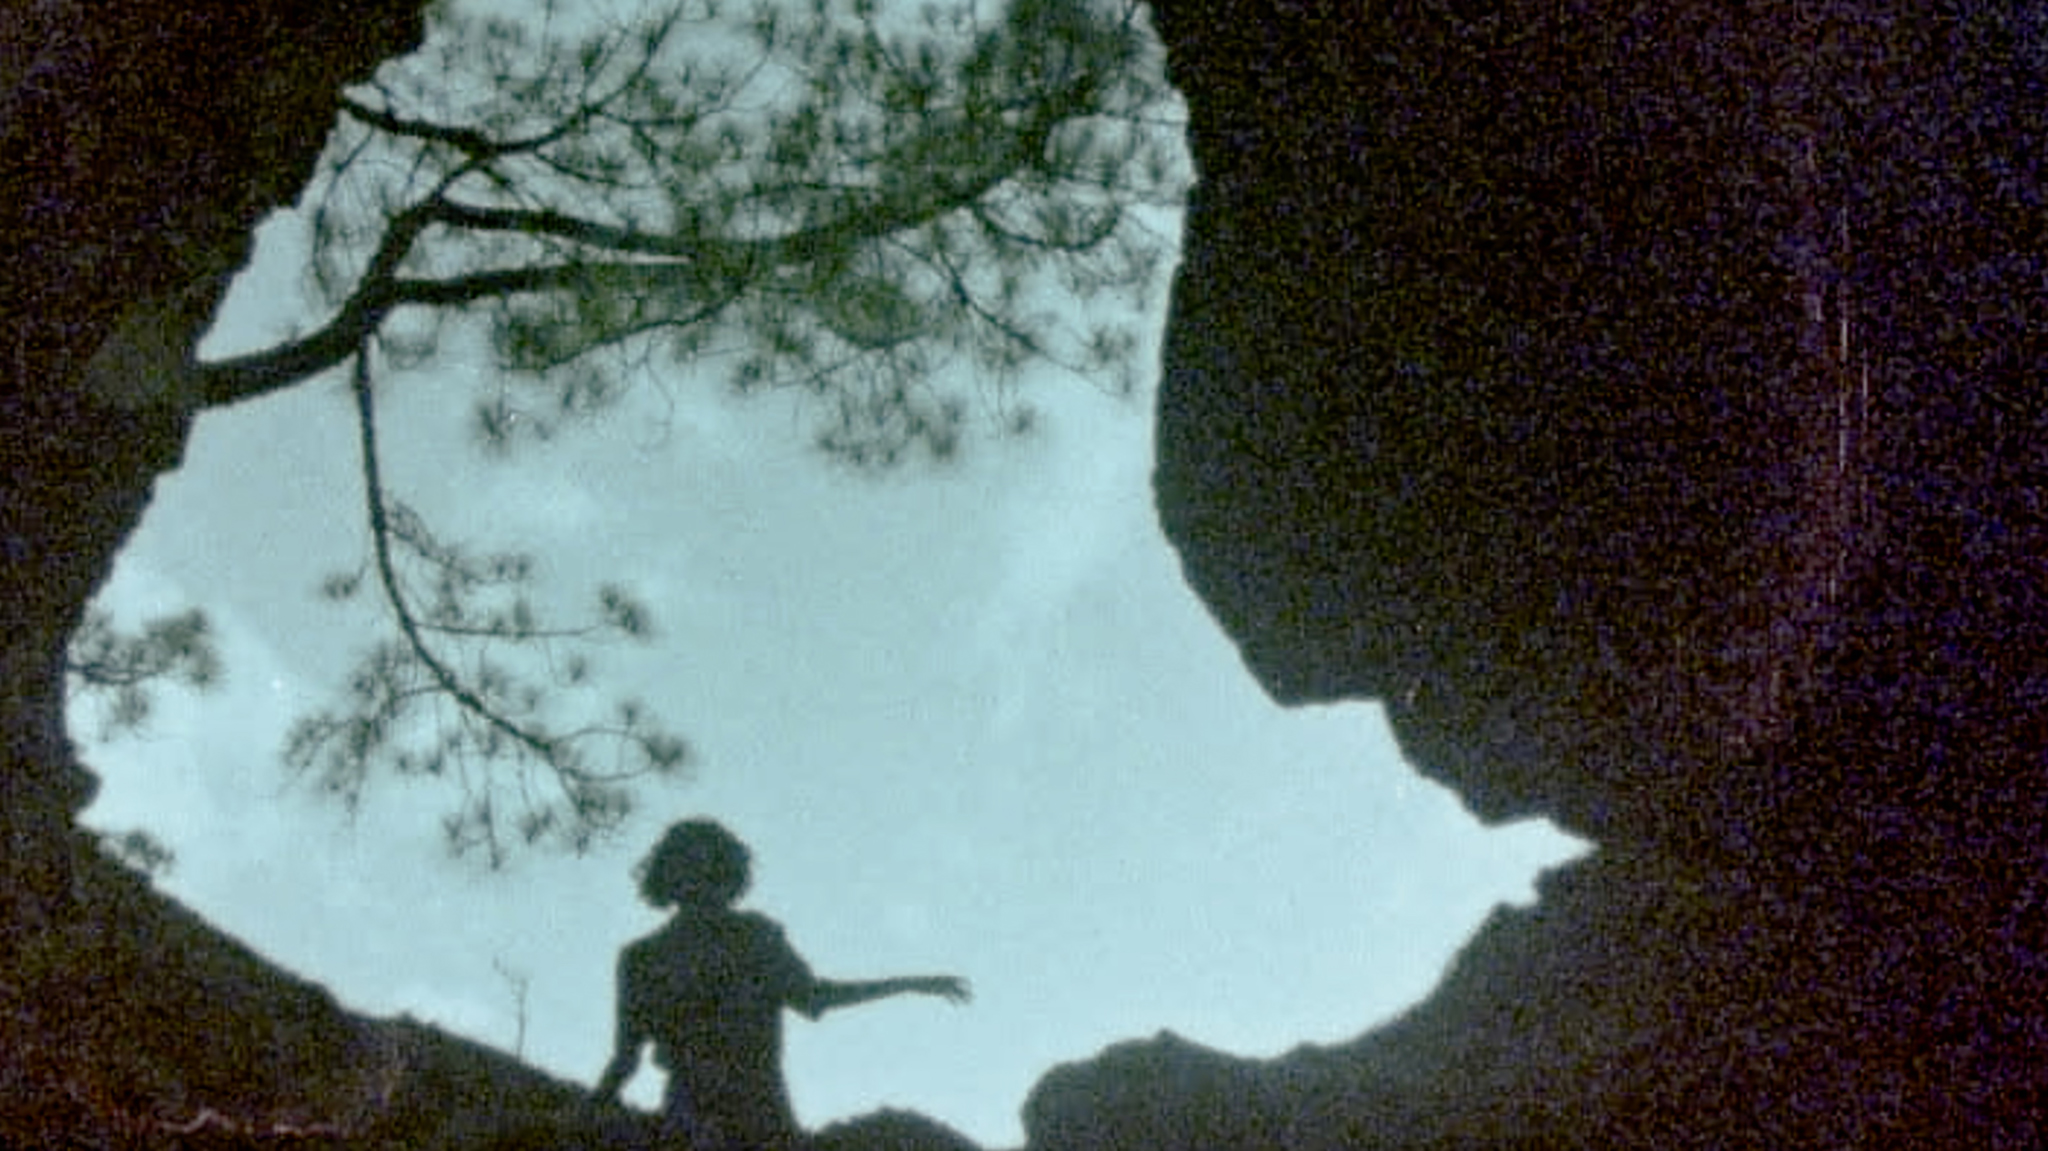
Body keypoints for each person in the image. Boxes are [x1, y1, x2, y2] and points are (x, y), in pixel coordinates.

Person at [591, 819, 970, 1151]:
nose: (701, 880)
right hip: (701, 1118)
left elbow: (815, 997)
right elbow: (625, 1057)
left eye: (709, 868)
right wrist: (585, 1116)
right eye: (691, 867)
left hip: (757, 1115)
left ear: (725, 876)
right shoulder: (644, 958)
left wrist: (909, 984)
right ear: (672, 876)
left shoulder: (751, 938)